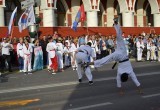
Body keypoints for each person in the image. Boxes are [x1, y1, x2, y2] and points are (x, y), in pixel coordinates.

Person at [90, 19, 142, 94]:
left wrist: (91, 63)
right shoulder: (122, 71)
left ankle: (116, 24)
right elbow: (104, 60)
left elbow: (104, 60)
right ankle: (116, 24)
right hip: (123, 58)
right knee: (119, 37)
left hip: (123, 58)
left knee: (119, 36)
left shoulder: (118, 57)